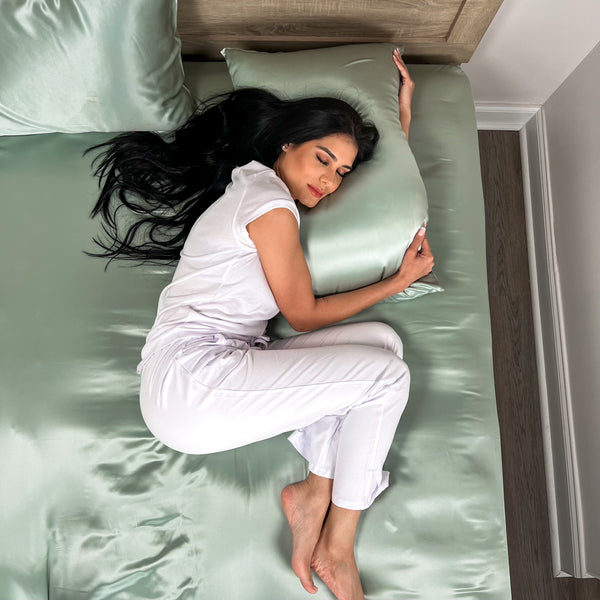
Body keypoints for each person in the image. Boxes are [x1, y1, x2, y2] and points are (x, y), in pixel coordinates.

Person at [86, 50, 433, 600]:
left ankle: (313, 492)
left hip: (209, 366)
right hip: (195, 388)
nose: (332, 181)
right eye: (322, 160)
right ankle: (338, 546)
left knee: (383, 343)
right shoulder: (269, 206)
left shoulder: (259, 187)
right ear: (285, 145)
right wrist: (397, 280)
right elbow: (302, 315)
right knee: (387, 379)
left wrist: (400, 119)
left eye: (341, 172)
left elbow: (377, 188)